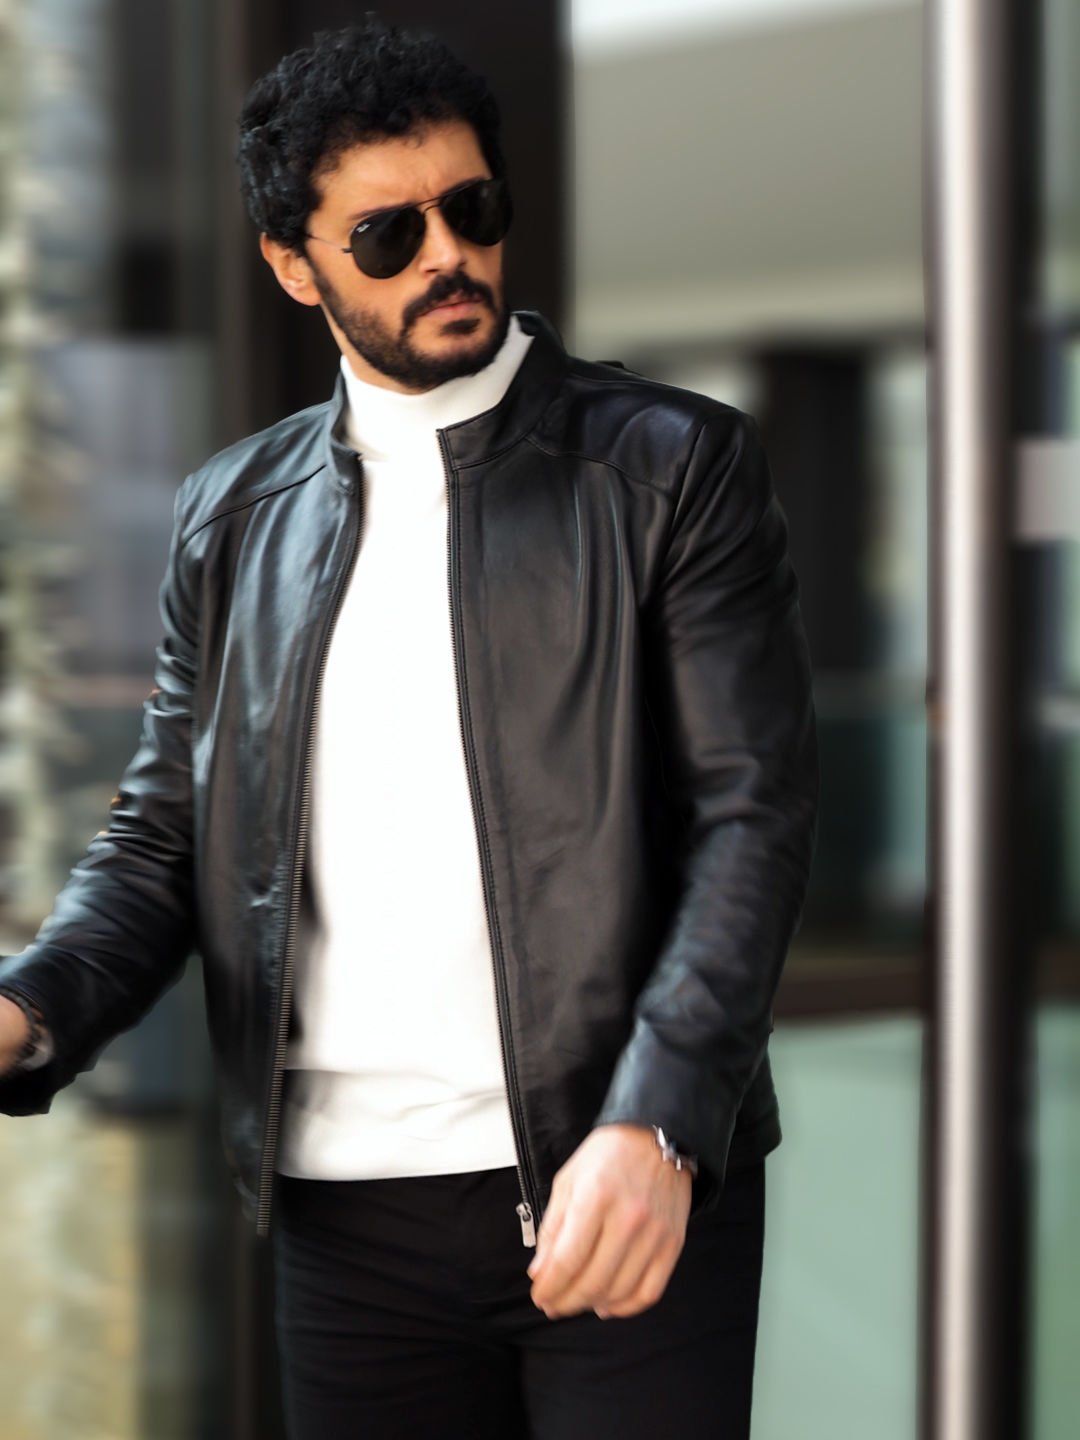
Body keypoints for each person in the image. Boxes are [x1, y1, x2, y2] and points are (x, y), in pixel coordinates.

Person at [0, 19, 817, 1440]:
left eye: (472, 209)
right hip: (344, 1224)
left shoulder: (668, 468)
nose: (449, 255)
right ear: (292, 264)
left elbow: (751, 816)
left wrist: (664, 1118)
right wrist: (31, 1006)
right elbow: (168, 836)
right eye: (388, 235)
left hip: (612, 1180)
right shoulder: (231, 518)